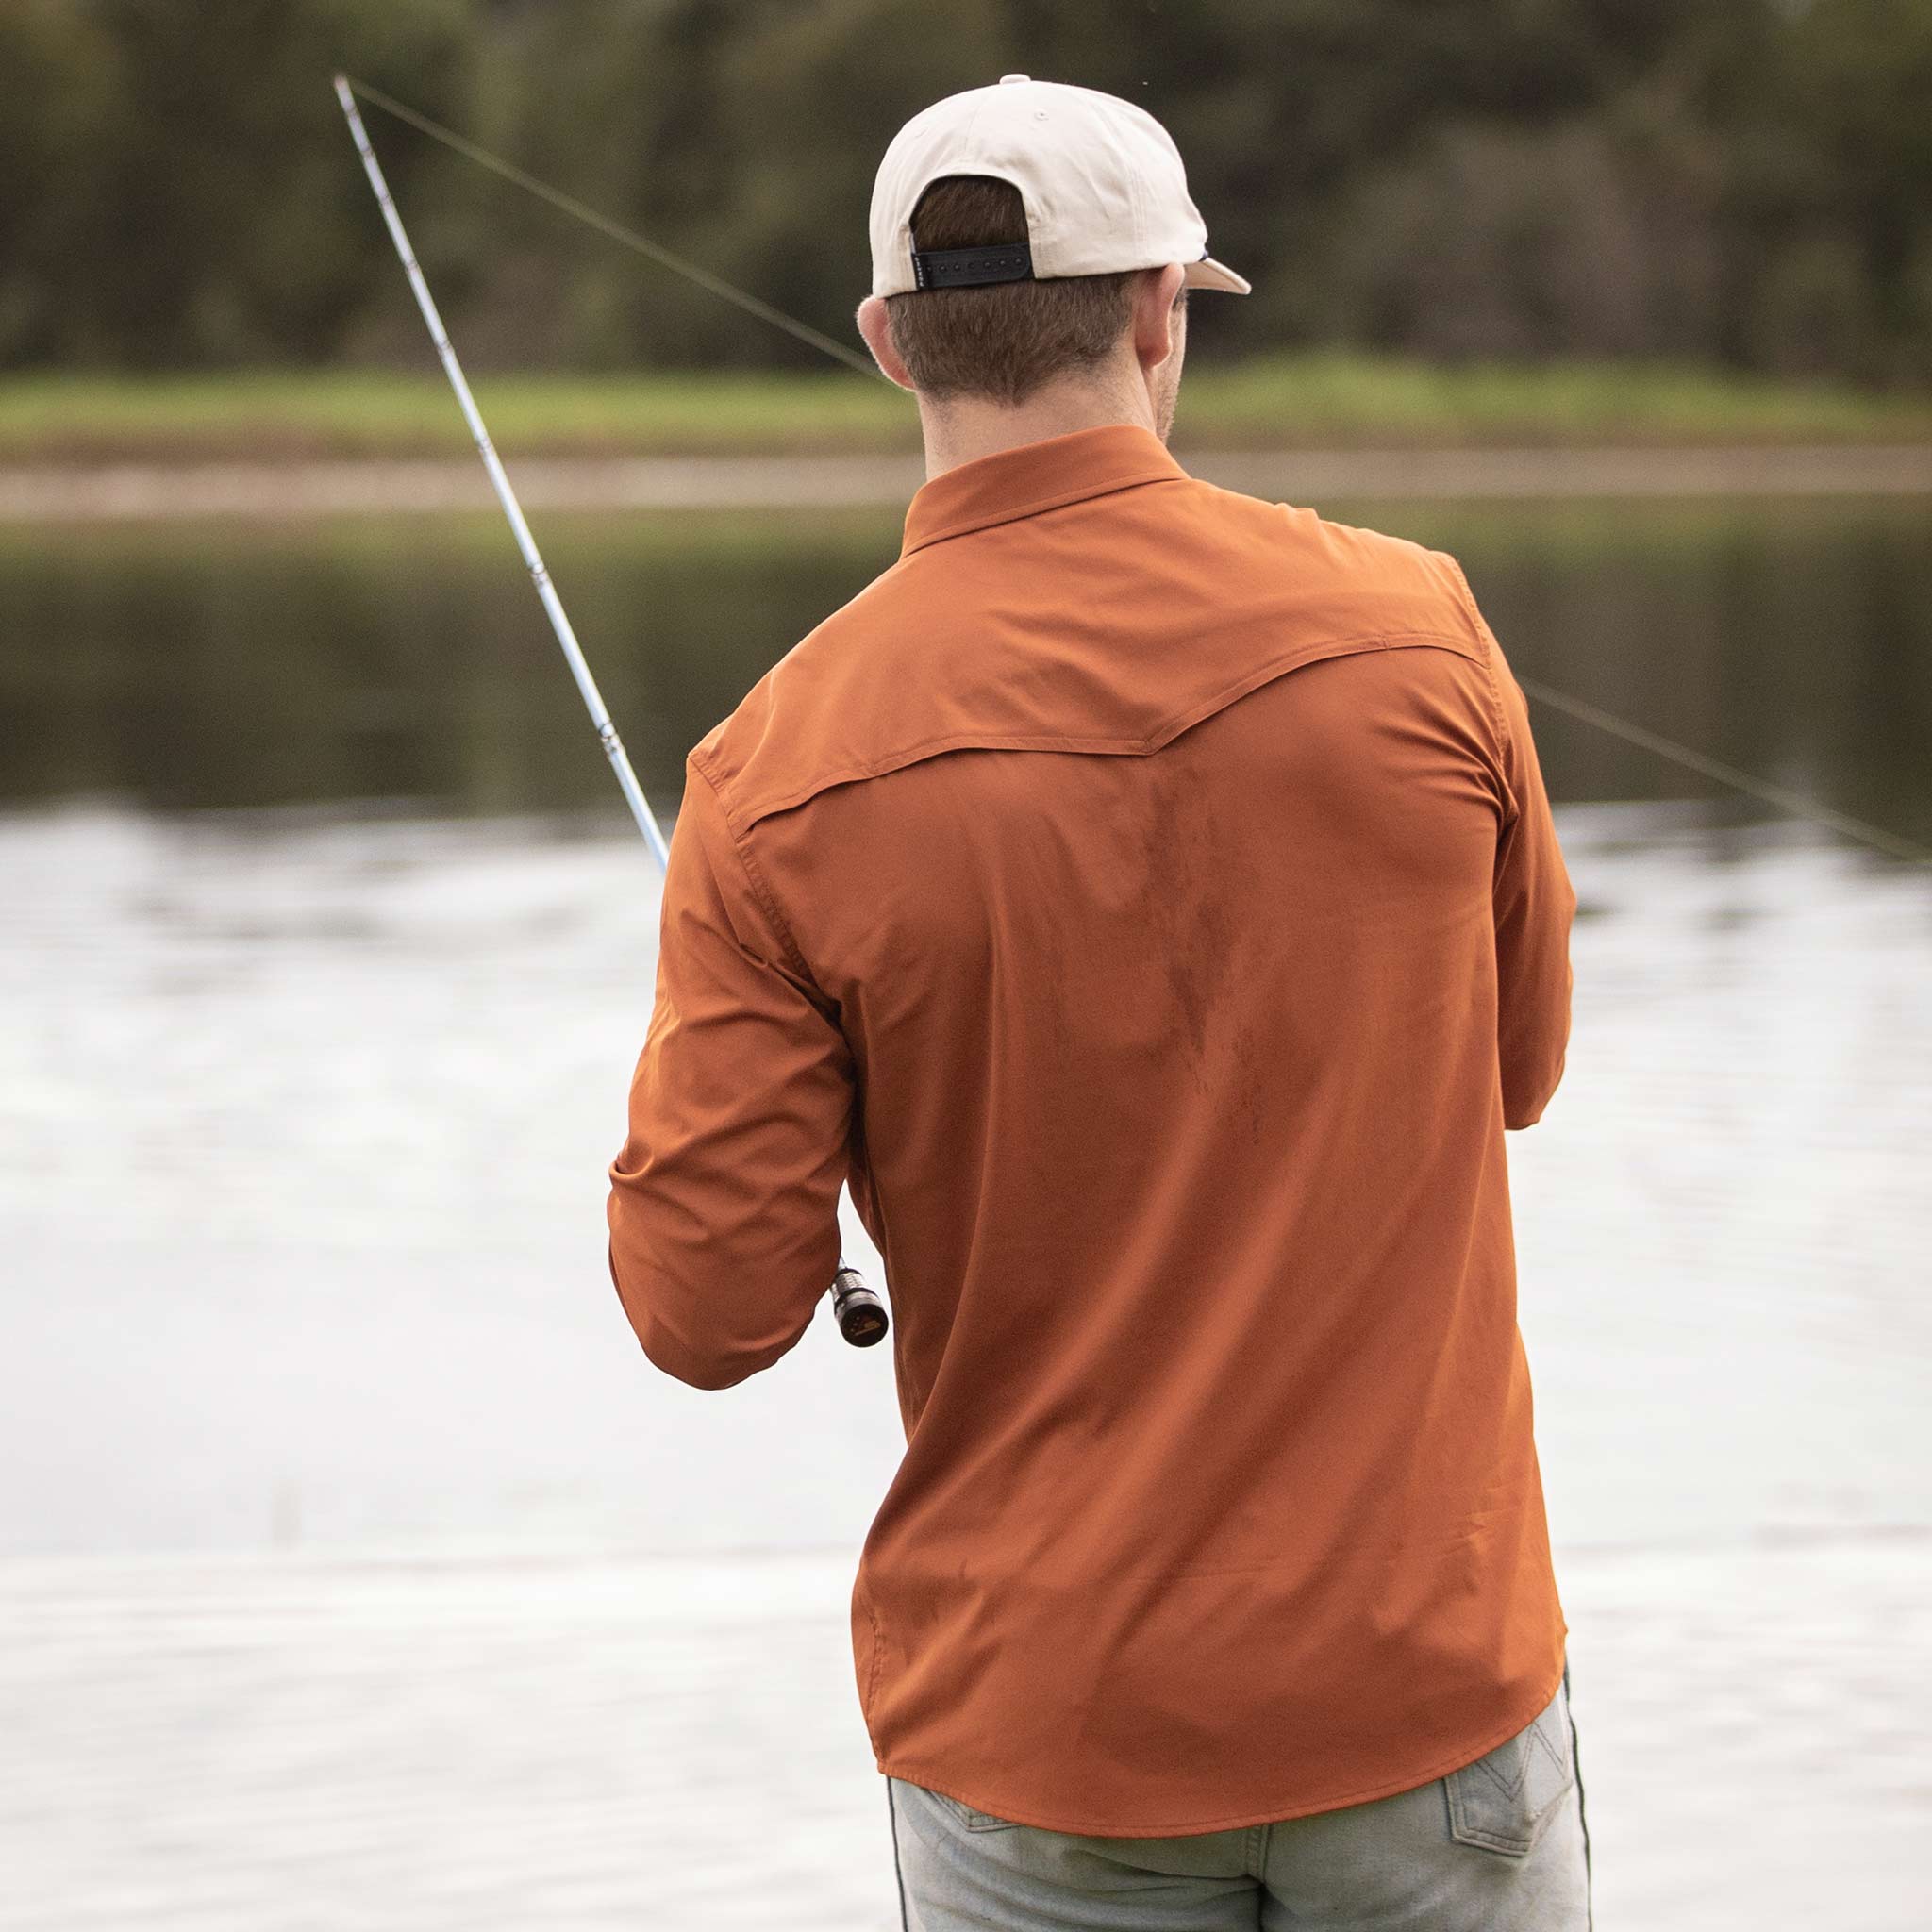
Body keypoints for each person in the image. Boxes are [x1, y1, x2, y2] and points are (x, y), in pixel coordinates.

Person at [607, 74, 1588, 1932]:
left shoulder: (772, 772)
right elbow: (1519, 1067)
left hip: (1039, 1740)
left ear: (889, 342)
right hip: (1425, 1697)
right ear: (1160, 316)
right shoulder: (1421, 629)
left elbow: (703, 1315)